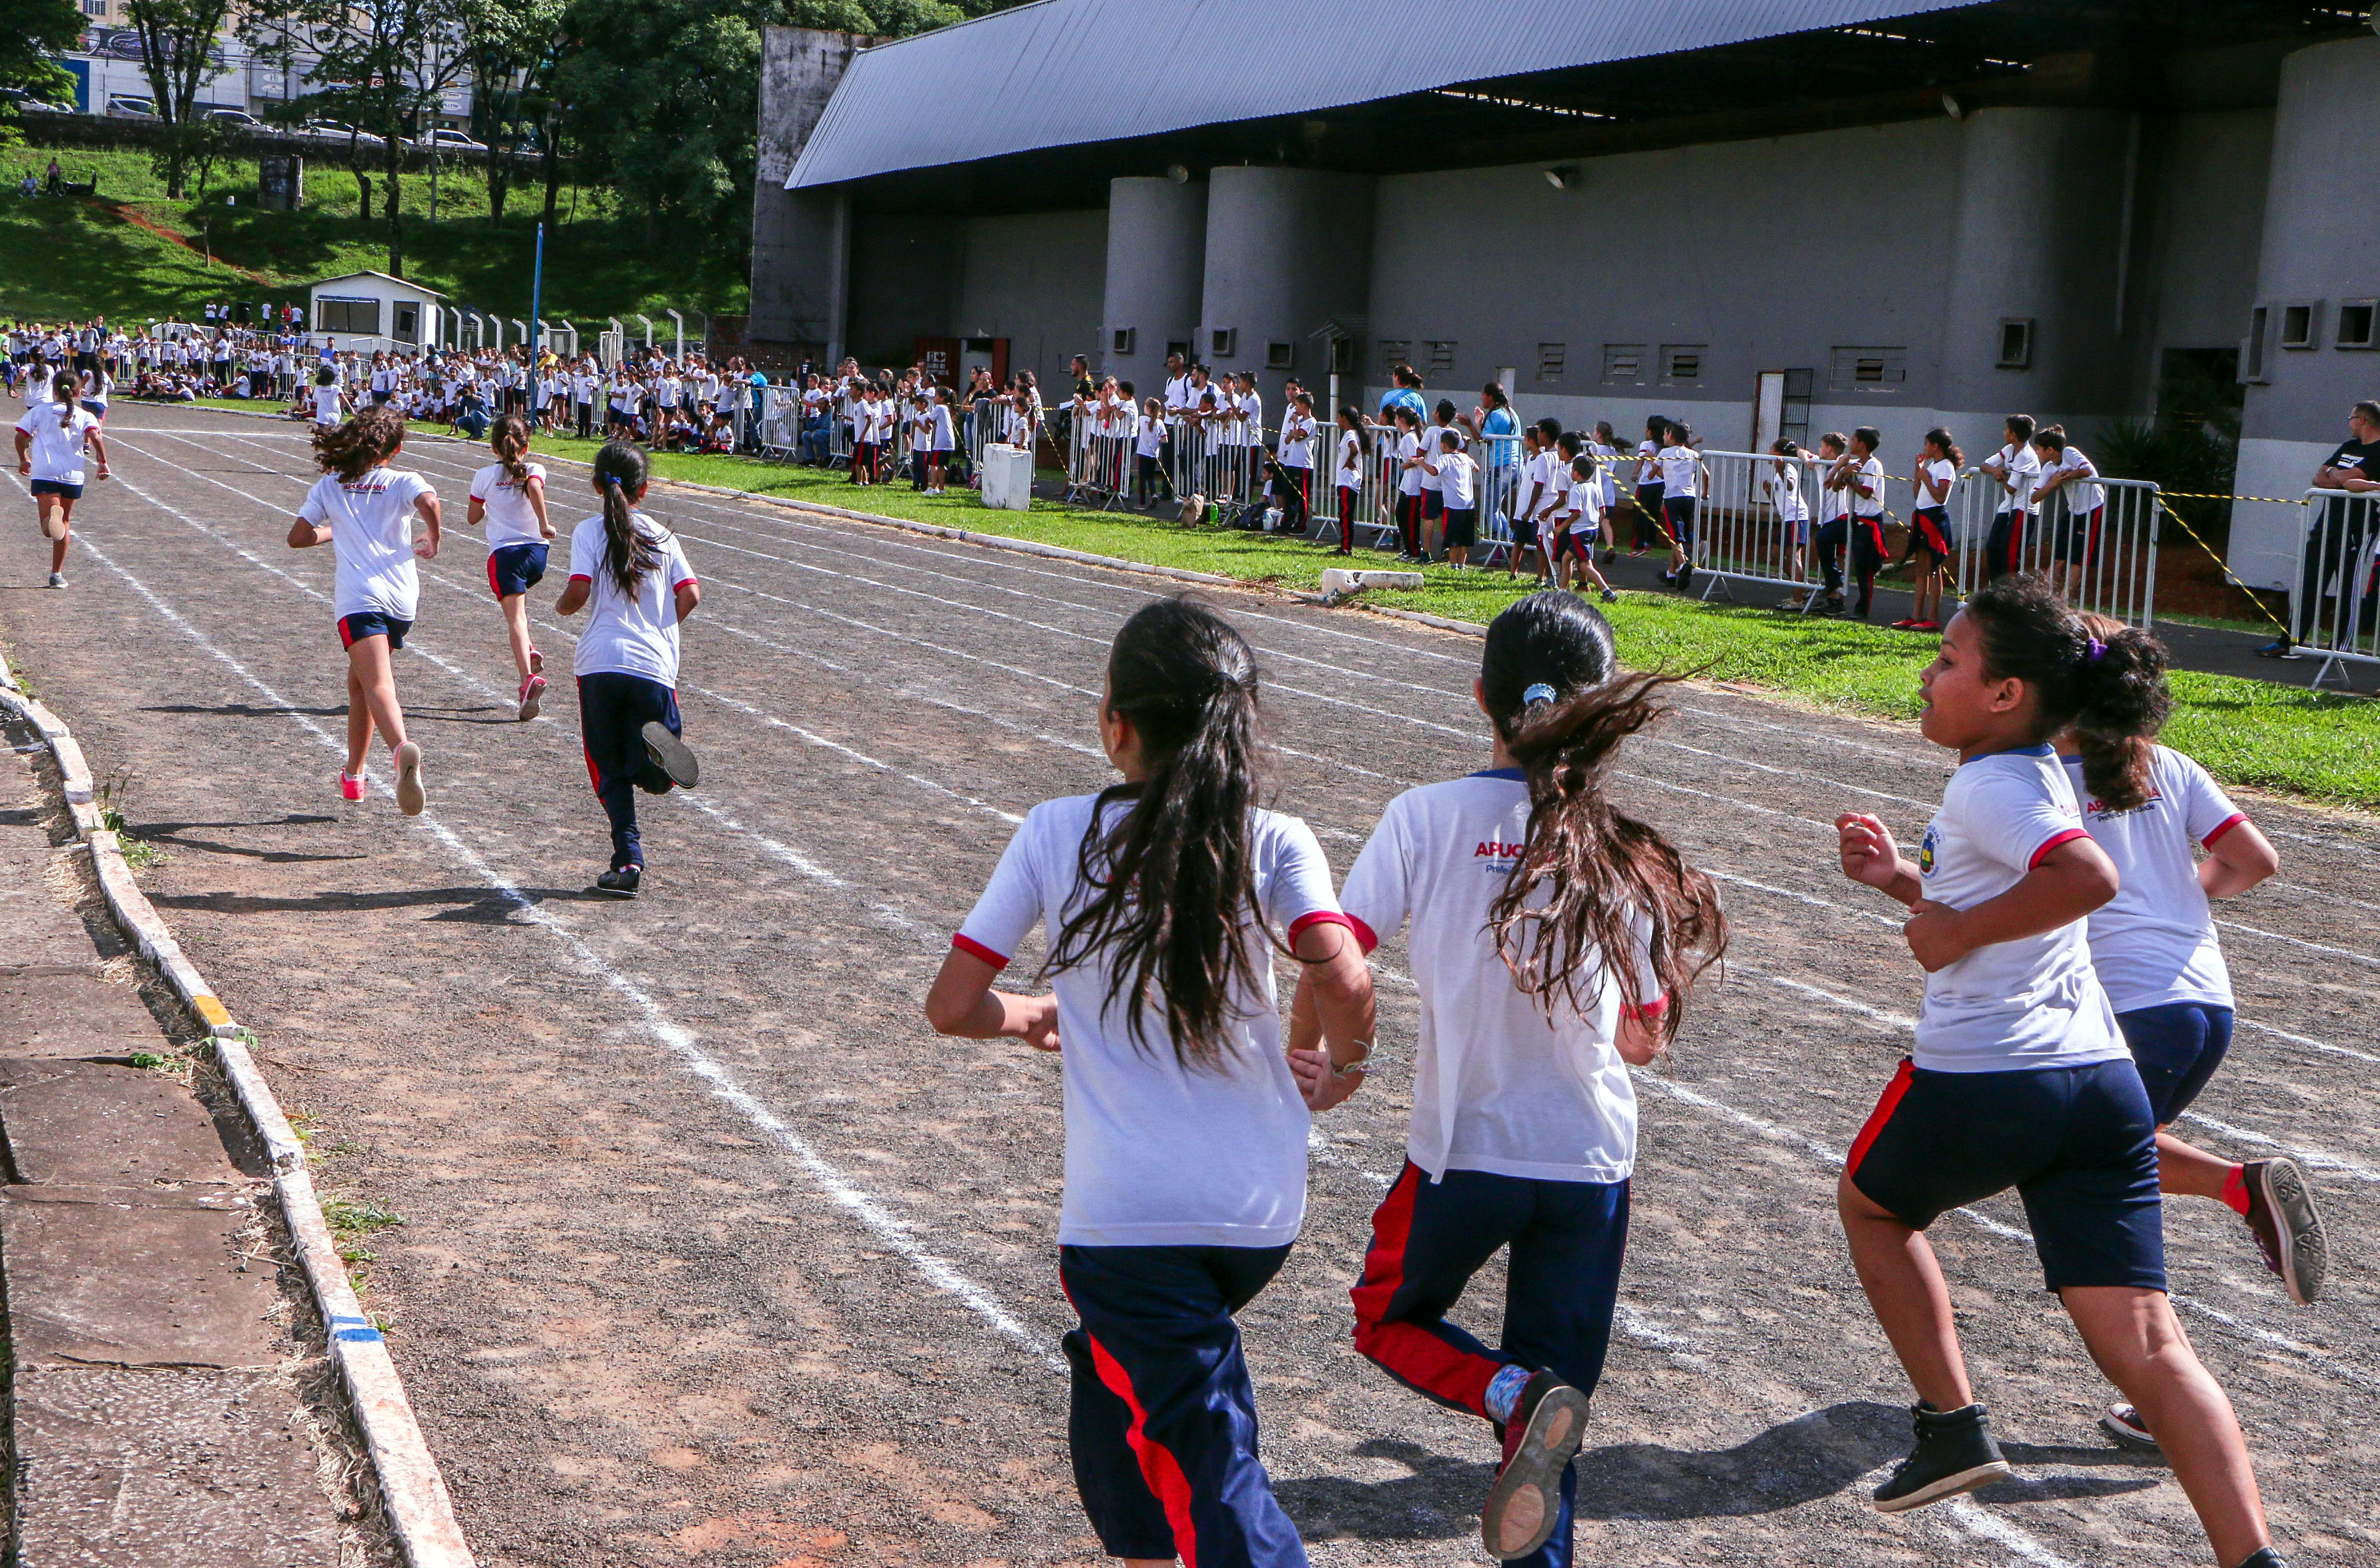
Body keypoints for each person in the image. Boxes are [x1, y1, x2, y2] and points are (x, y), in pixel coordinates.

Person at [1833, 576, 2288, 1568]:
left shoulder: (1986, 781)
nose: (1926, 670)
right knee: (2151, 1346)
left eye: (1948, 660)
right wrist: (1905, 887)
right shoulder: (2039, 770)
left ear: (2004, 694)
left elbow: (2085, 878)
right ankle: (2252, 1557)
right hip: (2098, 1083)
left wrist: (1950, 927)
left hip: (1986, 1072)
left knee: (1872, 1209)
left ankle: (1951, 1425)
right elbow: (2031, 878)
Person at [924, 597, 1376, 1568]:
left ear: (1115, 724)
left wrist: (1025, 1014)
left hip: (1128, 1226)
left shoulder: (1055, 830)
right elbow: (1341, 971)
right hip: (1256, 1217)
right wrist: (1344, 1066)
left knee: (1213, 1459)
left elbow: (953, 1003)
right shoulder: (1278, 837)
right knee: (1112, 1371)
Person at [1333, 592, 1724, 1566]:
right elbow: (1640, 1039)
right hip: (1587, 1159)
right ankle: (1533, 1428)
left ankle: (1507, 1392)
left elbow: (1336, 950)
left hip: (1465, 1149)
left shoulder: (1424, 816)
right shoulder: (1617, 848)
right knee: (1559, 1418)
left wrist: (1333, 1057)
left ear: (1481, 697)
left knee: (1387, 1319)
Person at [2045, 613, 2324, 1447]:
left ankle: (2240, 1187)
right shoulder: (2164, 763)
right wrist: (2182, 897)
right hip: (2205, 1004)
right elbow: (2254, 861)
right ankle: (2153, 1391)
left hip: (2126, 1007)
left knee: (2082, 1178)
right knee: (2114, 1156)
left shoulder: (2044, 778)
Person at [553, 442, 701, 897]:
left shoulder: (587, 531)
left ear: (597, 485)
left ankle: (628, 859)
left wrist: (560, 608)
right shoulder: (663, 535)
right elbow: (691, 594)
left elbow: (578, 591)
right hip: (654, 664)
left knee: (608, 768)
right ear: (645, 488)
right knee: (654, 766)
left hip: (600, 663)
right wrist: (659, 628)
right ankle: (653, 763)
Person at [284, 405, 436, 813]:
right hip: (402, 599)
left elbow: (297, 538)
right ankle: (354, 775)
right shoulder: (405, 480)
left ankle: (402, 749)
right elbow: (430, 503)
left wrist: (335, 529)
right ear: (398, 447)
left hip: (359, 600)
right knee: (360, 685)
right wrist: (434, 538)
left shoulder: (331, 484)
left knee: (378, 684)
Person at [2259, 398, 2380, 660]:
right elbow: (2319, 477)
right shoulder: (2349, 446)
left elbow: (2348, 480)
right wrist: (2341, 478)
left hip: (2357, 527)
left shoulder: (2378, 450)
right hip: (2328, 523)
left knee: (2347, 586)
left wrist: (2338, 476)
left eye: (2351, 418)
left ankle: (2341, 648)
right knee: (2311, 581)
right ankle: (2290, 641)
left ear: (2363, 421)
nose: (2348, 423)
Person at [465, 415, 555, 720]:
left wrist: (490, 501)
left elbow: (473, 518)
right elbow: (534, 486)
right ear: (526, 446)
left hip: (505, 556)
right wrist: (543, 524)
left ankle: (527, 679)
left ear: (493, 447)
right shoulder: (535, 468)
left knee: (515, 617)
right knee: (519, 609)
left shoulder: (484, 476)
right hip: (537, 555)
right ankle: (528, 647)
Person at [13, 370, 107, 589]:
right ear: (78, 392)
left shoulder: (40, 411)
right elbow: (95, 436)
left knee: (49, 529)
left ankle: (53, 517)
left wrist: (23, 459)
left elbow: (20, 436)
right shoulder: (85, 415)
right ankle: (56, 574)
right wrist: (103, 461)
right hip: (73, 474)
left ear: (53, 390)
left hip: (45, 471)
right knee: (64, 524)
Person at [1896, 428, 1960, 632]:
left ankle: (1932, 618)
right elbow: (1918, 494)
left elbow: (1941, 497)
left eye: (1926, 444)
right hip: (1922, 517)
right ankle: (1916, 615)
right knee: (1921, 567)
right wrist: (1919, 470)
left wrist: (1926, 478)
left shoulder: (1946, 467)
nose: (1924, 447)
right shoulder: (1933, 465)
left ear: (1935, 446)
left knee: (1934, 568)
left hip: (1935, 519)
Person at [2029, 428, 2102, 604]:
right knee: (2059, 554)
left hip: (2092, 508)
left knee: (2078, 557)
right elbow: (2034, 497)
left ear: (2050, 450)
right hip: (2074, 510)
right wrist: (2053, 483)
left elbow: (2087, 471)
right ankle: (2044, 597)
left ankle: (2064, 599)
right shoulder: (2048, 467)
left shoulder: (2070, 452)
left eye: (2039, 448)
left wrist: (2067, 476)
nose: (2036, 452)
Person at [1979, 414, 2040, 584]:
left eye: (2006, 430)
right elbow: (1984, 465)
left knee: (2009, 550)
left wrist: (2002, 476)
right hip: (2008, 506)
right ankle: (1997, 589)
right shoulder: (2009, 450)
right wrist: (1995, 471)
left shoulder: (2026, 455)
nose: (2004, 433)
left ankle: (2013, 592)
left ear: (2013, 434)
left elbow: (2012, 488)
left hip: (2023, 508)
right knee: (1992, 546)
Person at [1655, 420, 1706, 590]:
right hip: (1689, 497)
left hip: (1672, 498)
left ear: (1670, 435)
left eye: (1665, 434)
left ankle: (1684, 565)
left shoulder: (1664, 453)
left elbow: (1652, 475)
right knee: (1679, 535)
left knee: (1674, 537)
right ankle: (1671, 573)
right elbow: (1706, 473)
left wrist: (1651, 463)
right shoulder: (1693, 454)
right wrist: (1704, 493)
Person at [1767, 440, 1815, 610]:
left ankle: (1798, 600)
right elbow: (1780, 499)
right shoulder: (1779, 471)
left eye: (1772, 450)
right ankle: (1801, 588)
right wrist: (1768, 492)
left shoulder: (1789, 468)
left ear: (1779, 454)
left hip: (1796, 517)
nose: (1769, 453)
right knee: (1775, 555)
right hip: (1787, 518)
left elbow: (1790, 486)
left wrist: (1781, 472)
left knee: (1792, 557)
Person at [1424, 428, 1478, 569]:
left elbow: (1434, 471)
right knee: (1465, 538)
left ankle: (1453, 564)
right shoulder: (1465, 458)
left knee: (1453, 537)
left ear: (1443, 445)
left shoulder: (1444, 459)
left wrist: (1421, 462)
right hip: (1469, 504)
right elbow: (1476, 468)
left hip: (1453, 505)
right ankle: (1462, 565)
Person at [1331, 406, 1368, 556]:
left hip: (1347, 481)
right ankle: (1345, 546)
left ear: (1345, 418)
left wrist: (1348, 461)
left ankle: (1346, 548)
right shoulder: (1352, 433)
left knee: (1346, 516)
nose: (1337, 420)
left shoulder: (1349, 435)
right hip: (1347, 482)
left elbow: (1354, 449)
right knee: (1345, 515)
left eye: (1339, 417)